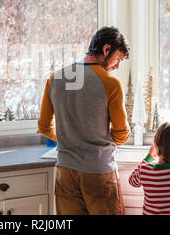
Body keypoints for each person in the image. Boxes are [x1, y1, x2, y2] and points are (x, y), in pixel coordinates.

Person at [38, 26, 131, 215]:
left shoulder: (55, 79)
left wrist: (70, 138)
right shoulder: (111, 83)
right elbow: (121, 134)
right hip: (98, 173)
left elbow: (44, 127)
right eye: (118, 59)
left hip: (65, 172)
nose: (117, 66)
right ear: (106, 50)